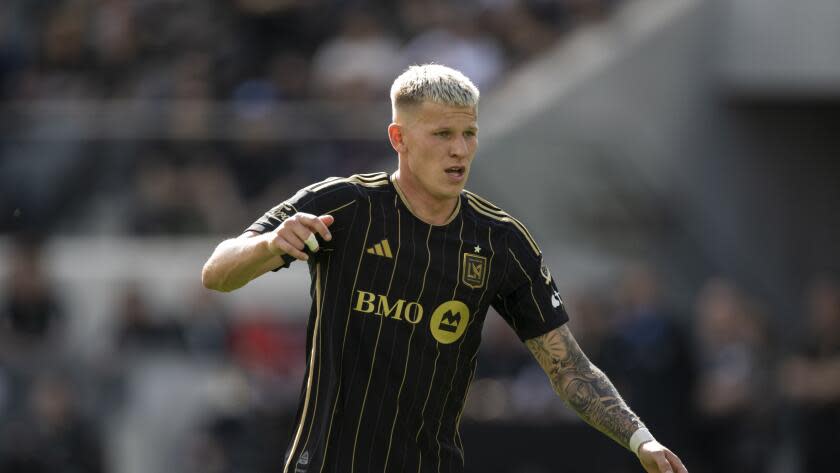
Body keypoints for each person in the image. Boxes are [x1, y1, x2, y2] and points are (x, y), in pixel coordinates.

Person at [202, 64, 688, 473]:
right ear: (400, 138)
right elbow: (217, 273)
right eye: (442, 134)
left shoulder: (501, 242)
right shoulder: (344, 206)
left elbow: (568, 366)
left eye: (469, 133)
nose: (459, 149)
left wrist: (639, 438)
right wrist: (268, 244)